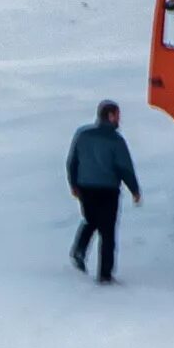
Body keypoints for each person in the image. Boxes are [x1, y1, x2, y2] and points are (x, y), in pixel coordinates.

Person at [66, 100, 142, 283]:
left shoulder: (82, 134)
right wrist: (135, 190)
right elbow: (124, 168)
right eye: (117, 115)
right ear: (110, 116)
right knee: (107, 231)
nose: (119, 120)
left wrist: (73, 184)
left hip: (85, 188)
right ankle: (105, 275)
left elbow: (72, 161)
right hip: (107, 189)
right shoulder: (115, 140)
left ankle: (79, 250)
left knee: (91, 220)